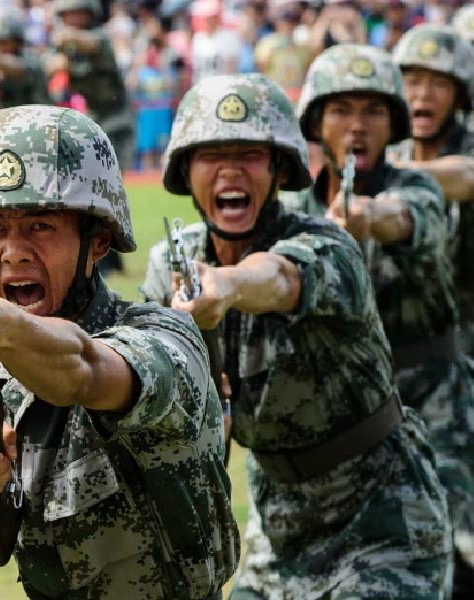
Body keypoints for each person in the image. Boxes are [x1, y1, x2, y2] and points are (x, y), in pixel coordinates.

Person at [0, 105, 240, 599]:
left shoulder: (164, 337)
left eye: (40, 226)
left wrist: (0, 324)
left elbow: (83, 369)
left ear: (97, 242)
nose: (13, 251)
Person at [143, 73, 452, 598]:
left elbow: (281, 278)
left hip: (384, 523)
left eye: (250, 154)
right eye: (211, 155)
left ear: (281, 168)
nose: (230, 170)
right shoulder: (170, 266)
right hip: (278, 531)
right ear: (185, 171)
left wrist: (226, 285)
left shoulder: (328, 246)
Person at [285, 43, 473, 597]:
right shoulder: (293, 208)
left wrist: (367, 216)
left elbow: (408, 217)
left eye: (372, 111)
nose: (357, 127)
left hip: (431, 403)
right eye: (341, 111)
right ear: (316, 122)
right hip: (338, 423)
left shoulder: (417, 187)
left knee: (445, 563)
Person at [391, 25, 474, 359]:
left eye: (439, 83)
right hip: (407, 343)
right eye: (413, 81)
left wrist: (390, 175)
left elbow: (466, 175)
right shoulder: (395, 150)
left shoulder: (466, 148)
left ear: (458, 95)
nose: (423, 94)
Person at [48, 0, 134, 171]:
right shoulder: (64, 47)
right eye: (68, 15)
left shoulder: (101, 36)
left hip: (116, 114)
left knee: (113, 171)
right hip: (92, 115)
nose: (73, 19)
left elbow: (93, 43)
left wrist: (66, 38)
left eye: (78, 14)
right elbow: (47, 66)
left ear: (89, 14)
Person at [0, 5, 50, 125]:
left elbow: (20, 69)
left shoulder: (30, 59)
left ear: (17, 42)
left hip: (39, 127)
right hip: (8, 132)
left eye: (3, 42)